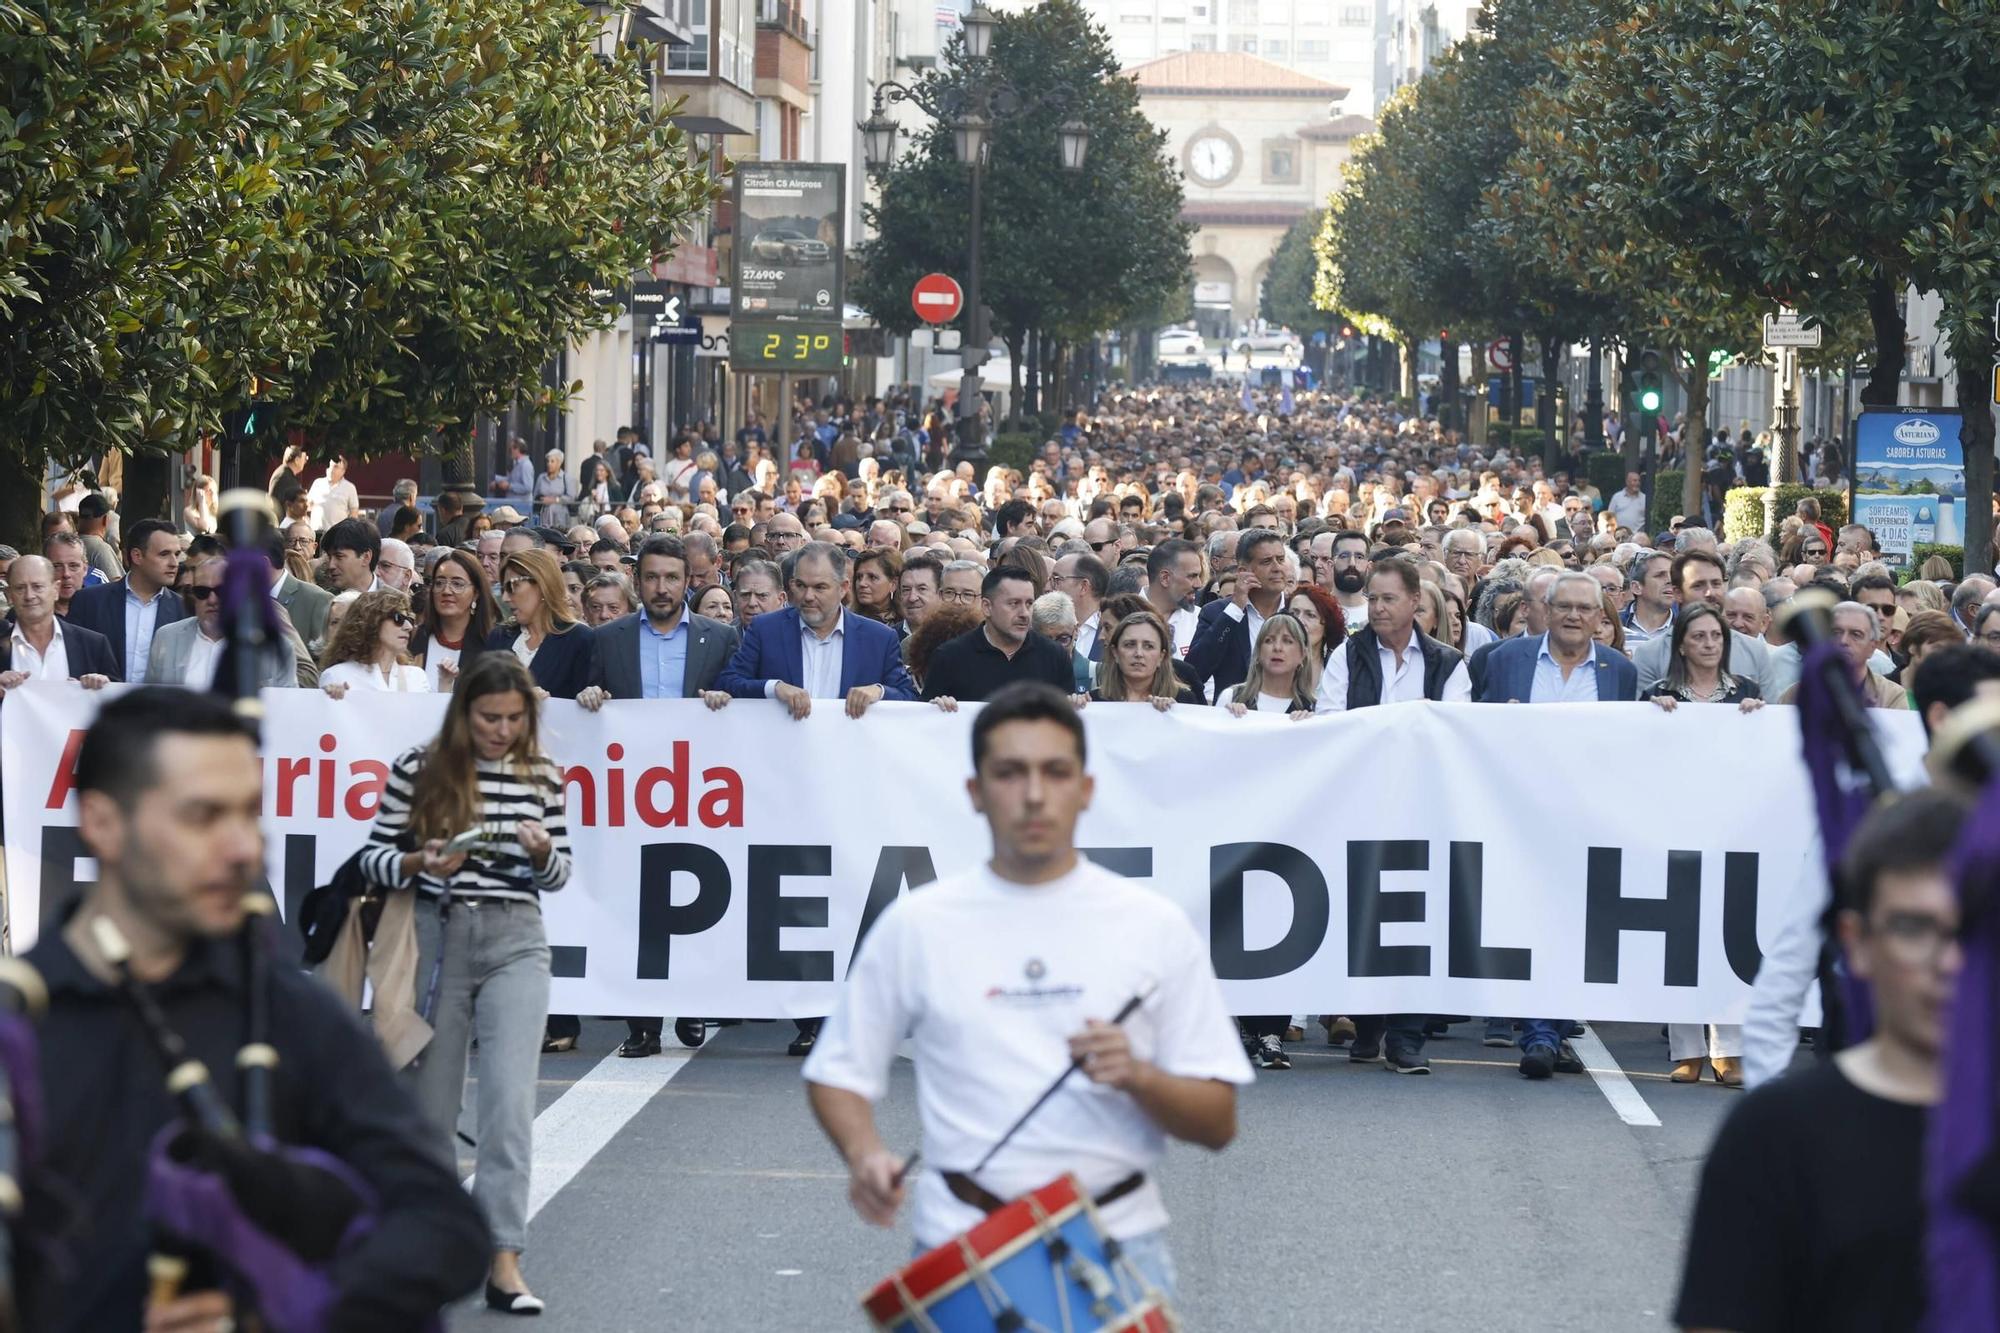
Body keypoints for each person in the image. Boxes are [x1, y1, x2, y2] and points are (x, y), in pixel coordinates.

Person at [18, 688, 490, 1331]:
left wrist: (287, 1308)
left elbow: (443, 1227)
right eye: (204, 816)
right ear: (103, 824)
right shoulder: (22, 1022)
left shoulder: (291, 1014)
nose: (244, 848)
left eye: (249, 814)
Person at [803, 682, 1250, 1299]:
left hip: (1119, 1246)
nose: (1034, 795)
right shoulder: (918, 924)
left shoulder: (1153, 926)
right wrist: (864, 1154)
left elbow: (1219, 1122)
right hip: (961, 1244)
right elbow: (837, 1072)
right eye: (1010, 773)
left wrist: (1139, 1076)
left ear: (1086, 789)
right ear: (975, 792)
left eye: (1056, 772)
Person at [1675, 789, 1968, 1333]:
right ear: (1855, 941)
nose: (1947, 962)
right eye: (1912, 928)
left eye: (1972, 927)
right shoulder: (1775, 1137)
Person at [356, 654, 570, 1315]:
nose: (501, 730)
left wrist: (540, 853)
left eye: (512, 718)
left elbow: (560, 873)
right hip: (438, 936)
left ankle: (505, 1258)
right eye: (488, 717)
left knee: (510, 1105)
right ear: (463, 713)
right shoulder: (419, 768)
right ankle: (432, 1249)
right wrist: (421, 859)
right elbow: (373, 856)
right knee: (432, 1110)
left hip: (517, 938)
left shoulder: (541, 772)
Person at [577, 534, 741, 1057]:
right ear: (636, 582)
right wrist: (589, 696)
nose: (662, 587)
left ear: (689, 581)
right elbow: (589, 699)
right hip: (631, 796)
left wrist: (728, 698)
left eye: (672, 577)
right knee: (635, 908)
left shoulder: (721, 638)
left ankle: (691, 1004)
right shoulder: (609, 638)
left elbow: (744, 705)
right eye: (651, 577)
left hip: (699, 794)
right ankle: (642, 1025)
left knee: (693, 903)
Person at [1475, 571, 1638, 1077]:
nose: (1572, 616)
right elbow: (1473, 733)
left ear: (1599, 617)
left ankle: (1548, 1029)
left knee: (1575, 924)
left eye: (1584, 609)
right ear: (1542, 608)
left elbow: (1627, 747)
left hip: (1585, 820)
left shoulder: (1619, 672)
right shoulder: (1503, 662)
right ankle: (1544, 1030)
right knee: (1529, 920)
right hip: (1517, 816)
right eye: (1563, 606)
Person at [1641, 603, 1762, 1085]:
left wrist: (1758, 718)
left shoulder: (1747, 694)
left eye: (1717, 636)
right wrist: (1652, 716)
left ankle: (1728, 1050)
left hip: (1733, 830)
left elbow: (1760, 756)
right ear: (1682, 645)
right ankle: (1687, 1050)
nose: (1710, 644)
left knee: (1726, 934)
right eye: (1700, 637)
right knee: (1681, 940)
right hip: (1677, 829)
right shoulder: (1659, 694)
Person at [921, 565, 1075, 706]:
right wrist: (938, 706)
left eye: (1029, 604)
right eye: (1013, 603)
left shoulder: (1054, 656)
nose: (1024, 613)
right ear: (987, 607)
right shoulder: (950, 657)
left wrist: (1075, 703)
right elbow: (927, 723)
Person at [1633, 551, 1775, 697]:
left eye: (1716, 584)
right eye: (1698, 585)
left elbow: (1770, 713)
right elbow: (1643, 714)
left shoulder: (1755, 651)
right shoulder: (1650, 655)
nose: (1710, 593)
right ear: (1677, 593)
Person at [62, 517, 185, 685]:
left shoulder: (184, 610)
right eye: (164, 554)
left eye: (177, 555)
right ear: (137, 556)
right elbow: (69, 657)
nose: (174, 563)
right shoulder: (88, 602)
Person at [145, 554, 295, 690]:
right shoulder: (166, 638)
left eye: (222, 591)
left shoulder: (277, 648)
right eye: (202, 592)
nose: (212, 600)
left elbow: (286, 709)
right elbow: (149, 704)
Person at [1180, 528, 1292, 701]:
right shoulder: (1217, 613)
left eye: (1281, 559)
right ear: (1243, 571)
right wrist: (1235, 610)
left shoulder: (1299, 610)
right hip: (1235, 718)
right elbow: (1193, 674)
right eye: (1266, 561)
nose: (1277, 568)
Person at [487, 547, 598, 699]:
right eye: (503, 589)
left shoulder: (581, 639)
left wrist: (592, 696)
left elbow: (587, 706)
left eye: (512, 587)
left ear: (542, 585)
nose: (505, 598)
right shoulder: (498, 637)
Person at [0, 555, 118, 689]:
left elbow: (117, 705)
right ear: (9, 595)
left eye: (37, 586)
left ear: (55, 590)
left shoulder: (94, 645)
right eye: (20, 588)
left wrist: (103, 686)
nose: (29, 596)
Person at [1777, 602, 1909, 709]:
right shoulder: (1796, 696)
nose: (1843, 641)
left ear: (1872, 647)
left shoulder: (1892, 697)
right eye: (1836, 632)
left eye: (1856, 634)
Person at [409, 547, 495, 692]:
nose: (446, 591)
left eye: (457, 584)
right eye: (439, 583)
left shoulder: (492, 645)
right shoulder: (414, 637)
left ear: (476, 594)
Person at [320, 588, 430, 695]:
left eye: (409, 620)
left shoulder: (417, 677)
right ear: (372, 622)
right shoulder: (337, 676)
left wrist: (445, 682)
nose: (409, 626)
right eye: (398, 618)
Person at [1087, 609, 1198, 710]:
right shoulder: (1094, 701)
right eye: (1130, 645)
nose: (1139, 654)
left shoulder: (1183, 700)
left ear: (1161, 656)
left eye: (1148, 646)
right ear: (1115, 653)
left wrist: (1175, 712)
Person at [1286, 582, 1348, 669]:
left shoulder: (1339, 669)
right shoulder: (1272, 669)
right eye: (1294, 613)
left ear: (1326, 628)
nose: (1299, 620)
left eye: (1310, 615)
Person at [321, 515, 383, 594]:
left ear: (366, 557)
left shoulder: (394, 603)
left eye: (339, 556)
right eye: (329, 557)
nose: (331, 565)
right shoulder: (323, 600)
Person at [850, 547, 902, 628]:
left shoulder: (907, 623)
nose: (862, 584)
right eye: (859, 577)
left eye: (872, 577)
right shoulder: (846, 621)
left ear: (893, 584)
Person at [307, 453, 361, 530]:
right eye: (329, 466)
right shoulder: (317, 483)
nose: (331, 469)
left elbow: (354, 512)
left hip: (337, 534)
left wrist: (348, 530)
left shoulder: (350, 487)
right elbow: (308, 505)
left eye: (335, 467)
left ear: (343, 471)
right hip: (316, 531)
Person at [533, 448, 575, 528]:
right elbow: (535, 496)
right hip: (544, 516)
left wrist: (555, 500)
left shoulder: (567, 478)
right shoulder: (541, 477)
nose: (549, 464)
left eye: (552, 461)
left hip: (560, 517)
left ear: (559, 463)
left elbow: (571, 498)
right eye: (548, 461)